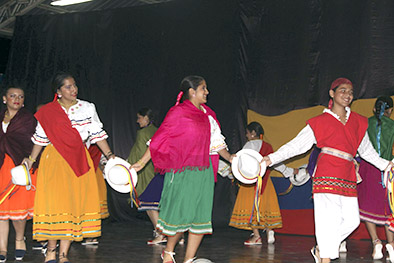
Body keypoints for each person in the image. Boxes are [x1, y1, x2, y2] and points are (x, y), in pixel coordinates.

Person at [262, 78, 394, 263]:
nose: (347, 94)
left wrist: (387, 165)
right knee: (327, 221)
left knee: (352, 221)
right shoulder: (319, 121)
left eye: (350, 91)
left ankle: (321, 249)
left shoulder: (359, 121)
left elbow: (367, 152)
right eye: (342, 90)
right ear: (332, 93)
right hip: (326, 172)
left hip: (348, 174)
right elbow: (296, 146)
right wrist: (270, 159)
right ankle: (325, 258)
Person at [132, 75, 234, 263]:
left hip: (203, 172)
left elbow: (216, 142)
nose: (207, 92)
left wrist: (230, 158)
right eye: (203, 88)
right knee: (182, 214)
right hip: (182, 171)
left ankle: (189, 258)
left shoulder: (207, 115)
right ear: (192, 92)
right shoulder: (177, 113)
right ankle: (169, 252)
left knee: (200, 217)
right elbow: (159, 139)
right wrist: (142, 162)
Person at [23, 72, 115, 263]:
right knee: (55, 205)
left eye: (74, 86)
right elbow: (40, 139)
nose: (73, 90)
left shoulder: (87, 108)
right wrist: (31, 160)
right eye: (67, 87)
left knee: (72, 206)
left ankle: (63, 254)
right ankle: (50, 250)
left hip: (78, 159)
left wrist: (110, 156)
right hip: (54, 160)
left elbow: (97, 135)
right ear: (58, 91)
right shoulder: (48, 111)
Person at [229, 121, 297, 245]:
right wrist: (291, 171)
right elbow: (276, 163)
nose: (246, 136)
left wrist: (234, 172)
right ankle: (270, 230)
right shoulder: (268, 146)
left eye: (248, 133)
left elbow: (243, 162)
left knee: (252, 208)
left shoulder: (249, 145)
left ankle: (256, 236)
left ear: (253, 133)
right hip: (266, 182)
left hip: (252, 183)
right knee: (265, 207)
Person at [0, 86, 36, 262]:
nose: (17, 99)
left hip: (18, 167)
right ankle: (2, 248)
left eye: (21, 96)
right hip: (1, 167)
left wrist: (28, 159)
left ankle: (20, 239)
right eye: (12, 96)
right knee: (1, 210)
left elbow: (32, 143)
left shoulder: (27, 119)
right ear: (4, 98)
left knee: (17, 209)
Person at [357, 96, 394, 260]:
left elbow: (359, 149)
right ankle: (391, 244)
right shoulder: (393, 126)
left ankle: (376, 242)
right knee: (389, 208)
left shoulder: (364, 123)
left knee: (367, 206)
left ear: (374, 109)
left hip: (368, 169)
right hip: (388, 168)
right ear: (391, 111)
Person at [126, 108, 162, 244]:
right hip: (158, 171)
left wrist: (129, 166)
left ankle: (160, 233)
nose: (137, 121)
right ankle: (178, 236)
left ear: (146, 118)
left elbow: (140, 154)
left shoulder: (143, 134)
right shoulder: (157, 130)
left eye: (139, 118)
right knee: (162, 205)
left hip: (145, 173)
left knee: (147, 204)